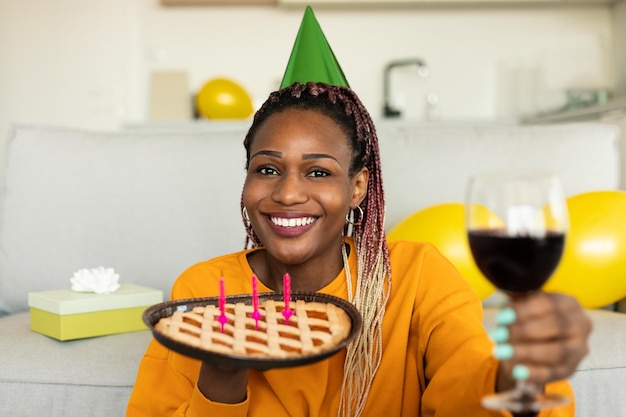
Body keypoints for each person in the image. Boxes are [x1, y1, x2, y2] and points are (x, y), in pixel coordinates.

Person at [126, 7, 591, 417]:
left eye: (318, 173)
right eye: (267, 168)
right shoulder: (208, 291)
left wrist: (517, 372)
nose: (287, 194)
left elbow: (467, 389)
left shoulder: (416, 277)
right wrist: (222, 374)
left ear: (358, 187)